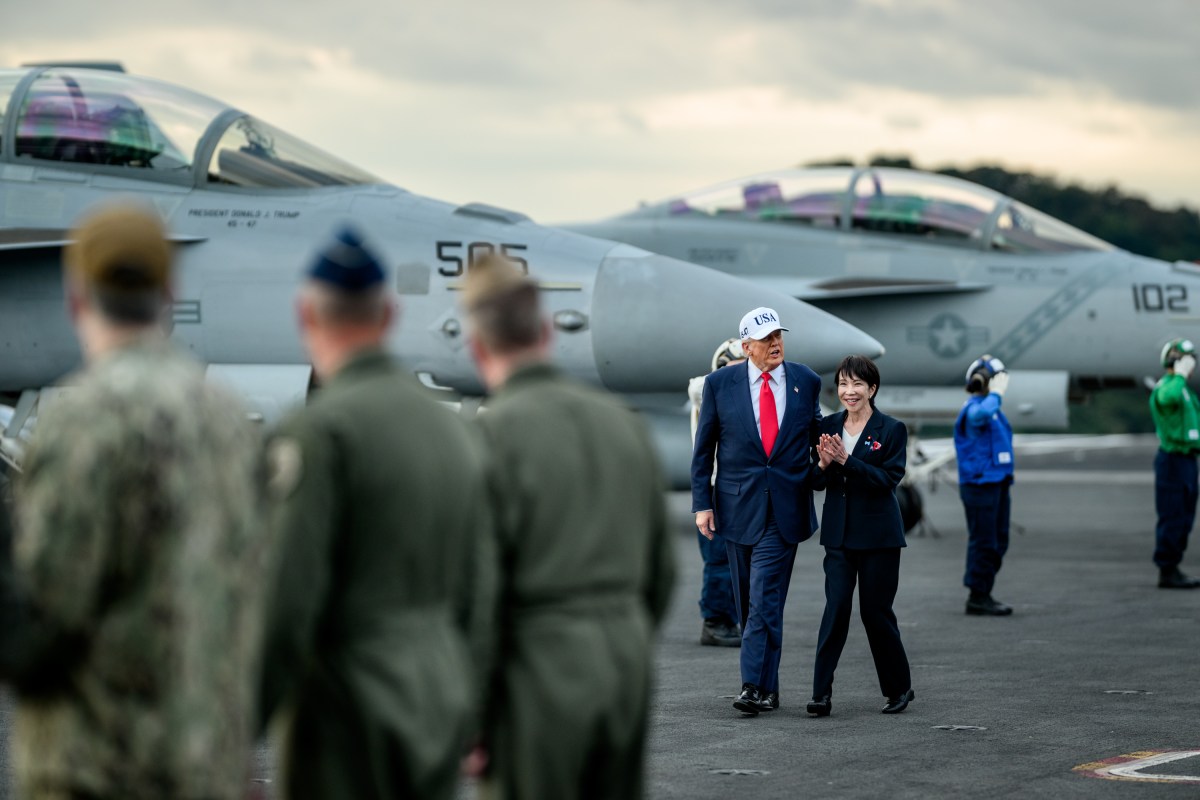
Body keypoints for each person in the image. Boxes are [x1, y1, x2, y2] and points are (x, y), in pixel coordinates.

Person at [0, 203, 267, 799]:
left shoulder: (84, 419)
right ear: (170, 292)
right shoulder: (229, 419)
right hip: (210, 769)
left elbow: (41, 631)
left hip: (102, 773)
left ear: (76, 299)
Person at [258, 227, 492, 800]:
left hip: (345, 708)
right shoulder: (453, 432)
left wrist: (243, 723)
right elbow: (482, 588)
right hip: (439, 695)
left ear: (306, 315)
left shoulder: (316, 431)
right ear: (388, 314)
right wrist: (478, 710)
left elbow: (287, 598)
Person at [464, 255, 675, 800]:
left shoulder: (493, 438)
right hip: (626, 660)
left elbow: (481, 593)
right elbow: (662, 572)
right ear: (547, 332)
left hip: (540, 670)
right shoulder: (625, 427)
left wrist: (475, 715)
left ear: (478, 347)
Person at [692, 306, 822, 715]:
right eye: (766, 339)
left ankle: (750, 685)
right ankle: (770, 687)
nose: (775, 344)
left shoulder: (806, 380)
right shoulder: (719, 384)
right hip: (735, 506)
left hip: (784, 508)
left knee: (764, 597)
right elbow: (704, 450)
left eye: (778, 336)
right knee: (752, 602)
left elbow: (815, 435)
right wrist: (702, 505)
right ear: (746, 346)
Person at [808, 355, 914, 717]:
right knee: (835, 610)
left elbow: (889, 480)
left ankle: (898, 688)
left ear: (872, 388)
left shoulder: (891, 429)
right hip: (838, 536)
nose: (848, 392)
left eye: (856, 385)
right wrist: (822, 465)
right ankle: (820, 694)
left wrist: (845, 462)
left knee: (875, 613)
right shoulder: (828, 425)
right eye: (842, 384)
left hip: (879, 537)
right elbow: (816, 481)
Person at [688, 337, 746, 647]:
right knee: (719, 558)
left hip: (733, 488)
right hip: (713, 489)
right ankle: (715, 621)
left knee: (735, 558)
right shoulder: (706, 388)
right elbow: (698, 386)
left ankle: (729, 618)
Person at [954, 354, 1015, 616]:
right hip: (980, 485)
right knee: (984, 541)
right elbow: (980, 415)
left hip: (997, 482)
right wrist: (996, 394)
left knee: (999, 540)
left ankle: (983, 588)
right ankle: (978, 595)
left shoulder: (993, 411)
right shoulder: (975, 408)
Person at [1149, 338, 1200, 589]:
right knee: (1173, 515)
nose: (1191, 367)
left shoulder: (1186, 392)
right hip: (1172, 459)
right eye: (1187, 361)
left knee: (1186, 516)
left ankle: (1174, 565)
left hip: (1189, 460)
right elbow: (1167, 399)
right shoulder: (1168, 386)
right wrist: (1179, 374)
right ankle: (1167, 570)